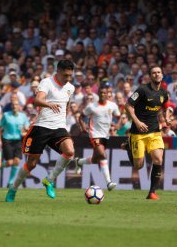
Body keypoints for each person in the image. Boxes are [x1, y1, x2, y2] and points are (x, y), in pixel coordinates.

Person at [5, 59, 76, 202]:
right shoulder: (47, 82)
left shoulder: (70, 88)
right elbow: (37, 100)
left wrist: (63, 117)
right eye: (65, 75)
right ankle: (13, 189)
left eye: (70, 75)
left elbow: (66, 105)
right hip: (42, 127)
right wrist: (49, 105)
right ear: (58, 71)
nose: (68, 79)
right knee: (31, 164)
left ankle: (49, 180)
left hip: (59, 128)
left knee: (69, 151)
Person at [124, 65, 172, 200]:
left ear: (162, 75)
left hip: (155, 132)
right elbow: (128, 105)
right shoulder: (142, 90)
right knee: (138, 166)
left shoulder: (163, 93)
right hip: (138, 132)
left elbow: (165, 106)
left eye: (159, 72)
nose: (156, 75)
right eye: (154, 73)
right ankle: (128, 146)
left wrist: (166, 117)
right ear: (150, 76)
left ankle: (152, 192)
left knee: (158, 159)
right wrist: (137, 122)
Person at [73, 86, 120, 191]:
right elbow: (81, 116)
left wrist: (118, 125)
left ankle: (79, 162)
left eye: (105, 93)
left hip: (105, 135)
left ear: (108, 94)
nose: (103, 95)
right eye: (101, 93)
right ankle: (108, 182)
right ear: (98, 94)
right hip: (94, 134)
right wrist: (83, 125)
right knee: (103, 155)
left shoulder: (112, 105)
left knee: (96, 158)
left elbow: (119, 115)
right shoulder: (92, 106)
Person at [0, 99, 29, 187]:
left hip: (18, 140)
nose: (15, 106)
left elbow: (26, 127)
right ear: (11, 106)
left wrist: (25, 130)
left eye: (16, 105)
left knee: (17, 161)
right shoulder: (6, 115)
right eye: (13, 105)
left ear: (19, 106)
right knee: (10, 163)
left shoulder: (23, 116)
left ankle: (10, 183)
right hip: (7, 140)